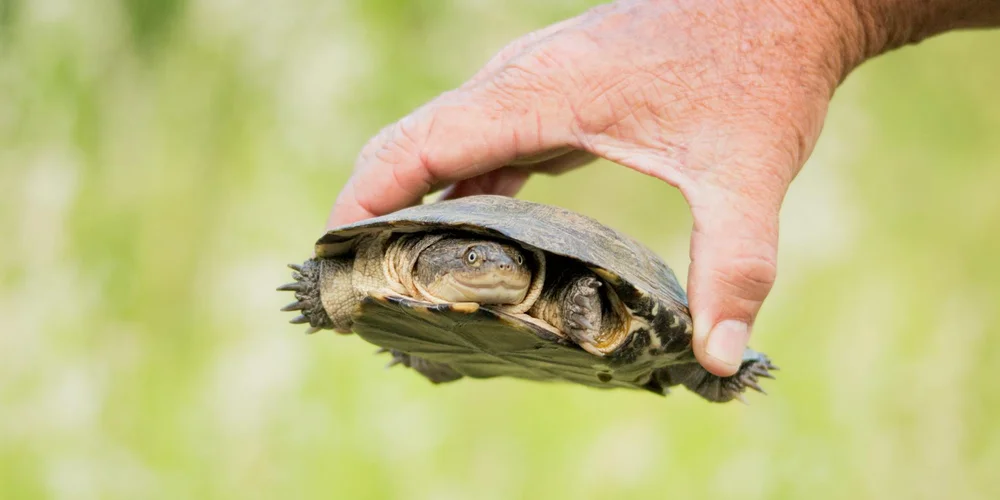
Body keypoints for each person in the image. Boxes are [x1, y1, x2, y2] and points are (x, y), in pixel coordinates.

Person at [325, 0, 1000, 377]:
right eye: (473, 259)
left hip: (591, 333)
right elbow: (339, 270)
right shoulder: (391, 260)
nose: (494, 265)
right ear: (427, 259)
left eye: (499, 258)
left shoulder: (559, 288)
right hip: (441, 337)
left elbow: (587, 294)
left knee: (696, 356)